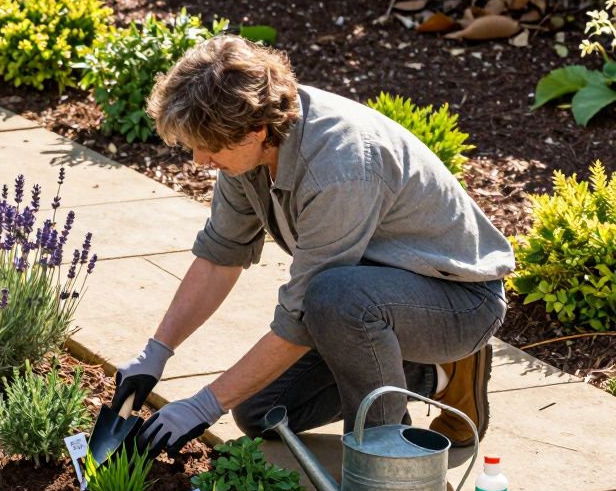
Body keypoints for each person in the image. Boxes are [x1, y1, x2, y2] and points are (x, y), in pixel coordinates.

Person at [117, 35, 514, 460]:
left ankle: (384, 460)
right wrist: (154, 354)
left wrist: (203, 405)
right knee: (261, 412)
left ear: (257, 129)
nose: (199, 160)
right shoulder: (245, 151)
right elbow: (220, 255)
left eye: (209, 148)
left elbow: (302, 313)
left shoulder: (340, 168)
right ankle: (434, 374)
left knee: (335, 297)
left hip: (458, 303)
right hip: (372, 296)